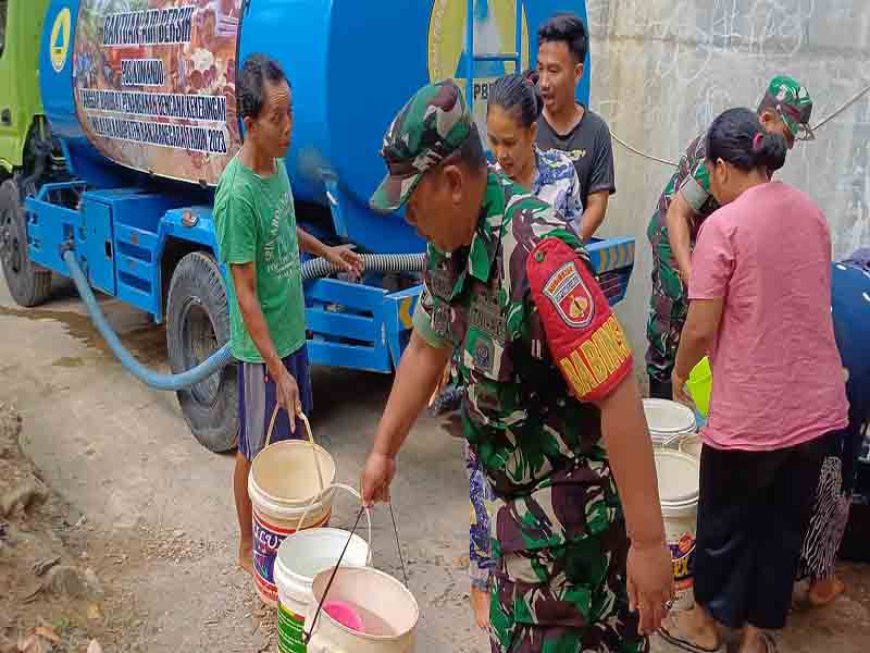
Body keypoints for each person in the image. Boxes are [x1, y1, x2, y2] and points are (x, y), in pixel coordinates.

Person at [362, 79, 673, 652]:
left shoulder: (542, 257)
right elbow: (427, 346)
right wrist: (384, 449)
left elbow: (618, 393)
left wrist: (650, 545)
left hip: (578, 534)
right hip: (517, 519)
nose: (406, 218)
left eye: (411, 202)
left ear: (453, 183)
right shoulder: (449, 244)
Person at [663, 107, 848, 653]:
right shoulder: (811, 213)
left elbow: (700, 326)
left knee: (723, 526)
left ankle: (701, 625)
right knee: (778, 529)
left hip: (752, 414)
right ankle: (751, 637)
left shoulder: (724, 225)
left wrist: (678, 375)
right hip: (816, 412)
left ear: (721, 168)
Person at [213, 54, 362, 573]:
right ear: (249, 123)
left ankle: (289, 533)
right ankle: (245, 541)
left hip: (290, 335)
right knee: (253, 447)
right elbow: (245, 293)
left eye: (291, 113)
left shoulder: (274, 169)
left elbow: (285, 227)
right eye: (278, 119)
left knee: (294, 437)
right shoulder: (235, 197)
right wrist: (275, 369)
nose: (289, 128)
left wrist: (328, 253)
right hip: (261, 352)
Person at [466, 71, 584, 629]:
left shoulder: (561, 181)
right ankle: (487, 585)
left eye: (510, 142)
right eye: (492, 142)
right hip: (494, 357)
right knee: (485, 484)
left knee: (543, 496)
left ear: (534, 132)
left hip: (544, 366)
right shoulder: (482, 182)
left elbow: (572, 262)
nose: (501, 154)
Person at [645, 75, 814, 399]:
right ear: (765, 119)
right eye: (788, 133)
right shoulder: (728, 148)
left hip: (715, 242)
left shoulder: (762, 156)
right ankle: (663, 411)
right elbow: (677, 214)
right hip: (679, 239)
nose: (789, 146)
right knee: (676, 330)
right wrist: (693, 277)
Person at [798, 249, 870, 606]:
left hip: (797, 359)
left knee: (794, 460)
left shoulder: (833, 271)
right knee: (840, 466)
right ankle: (821, 579)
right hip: (846, 374)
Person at [535, 12, 615, 242]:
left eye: (553, 70)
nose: (544, 82)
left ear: (577, 72)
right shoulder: (528, 124)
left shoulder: (596, 131)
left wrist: (564, 248)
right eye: (540, 69)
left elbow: (596, 206)